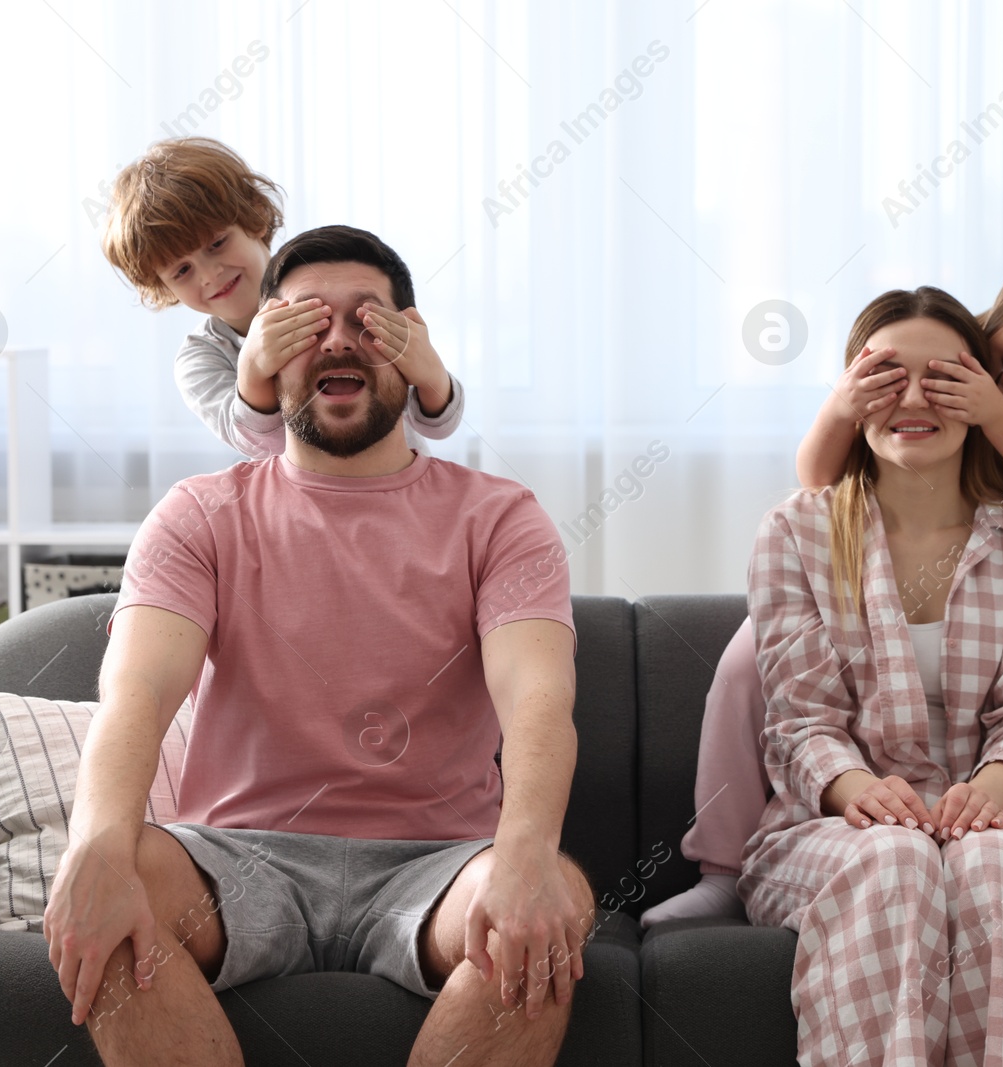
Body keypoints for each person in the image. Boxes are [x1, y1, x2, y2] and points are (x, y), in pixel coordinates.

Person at [43, 226, 593, 1067]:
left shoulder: (501, 517)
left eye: (365, 319)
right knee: (113, 886)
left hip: (438, 863)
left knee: (551, 896)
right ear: (263, 355)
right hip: (232, 859)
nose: (337, 338)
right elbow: (139, 694)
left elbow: (537, 700)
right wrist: (94, 847)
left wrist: (525, 855)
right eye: (306, 322)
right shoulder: (199, 514)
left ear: (411, 344)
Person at [643, 238, 1003, 927]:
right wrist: (845, 402)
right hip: (866, 569)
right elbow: (817, 479)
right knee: (745, 664)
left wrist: (994, 412)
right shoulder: (936, 347)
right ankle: (722, 865)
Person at [739, 286, 1003, 1065]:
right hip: (835, 827)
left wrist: (990, 794)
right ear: (854, 389)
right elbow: (799, 720)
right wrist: (856, 790)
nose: (916, 398)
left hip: (992, 821)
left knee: (994, 864)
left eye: (943, 377)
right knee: (893, 856)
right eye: (891, 376)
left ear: (982, 390)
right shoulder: (796, 531)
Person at [100, 136, 466, 459]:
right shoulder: (201, 357)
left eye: (217, 243)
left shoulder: (336, 288)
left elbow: (440, 426)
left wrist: (429, 371)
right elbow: (261, 443)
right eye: (182, 271)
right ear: (165, 289)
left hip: (405, 495)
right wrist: (255, 366)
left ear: (255, 219)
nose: (210, 275)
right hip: (299, 510)